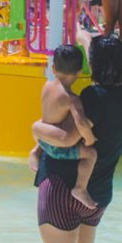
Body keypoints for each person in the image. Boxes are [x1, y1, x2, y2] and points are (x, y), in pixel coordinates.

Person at [32, 35, 122, 243]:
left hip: (62, 189)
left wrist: (36, 128)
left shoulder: (93, 96)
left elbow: (66, 138)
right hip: (98, 196)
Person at [28, 45, 99, 211]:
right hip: (55, 149)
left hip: (43, 142)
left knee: (47, 121)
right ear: (80, 72)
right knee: (91, 154)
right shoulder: (71, 99)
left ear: (53, 68)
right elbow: (81, 123)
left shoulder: (46, 86)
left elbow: (48, 118)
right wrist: (89, 139)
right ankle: (80, 188)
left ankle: (35, 151)